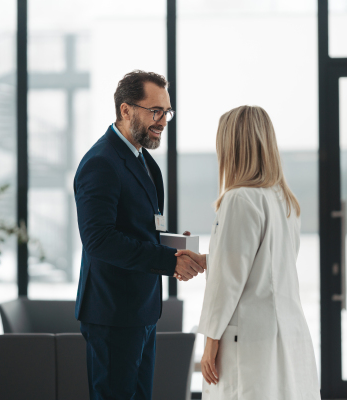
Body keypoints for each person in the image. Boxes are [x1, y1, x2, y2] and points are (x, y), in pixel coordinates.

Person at [74, 70, 204, 400]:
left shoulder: (147, 163)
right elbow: (99, 240)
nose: (162, 120)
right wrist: (167, 261)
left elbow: (145, 229)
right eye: (154, 111)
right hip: (112, 313)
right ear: (126, 110)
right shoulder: (100, 163)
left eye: (166, 112)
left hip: (143, 309)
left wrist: (175, 247)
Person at [176, 106, 321, 399]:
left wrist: (211, 341)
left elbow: (227, 282)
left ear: (233, 147)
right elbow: (265, 265)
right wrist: (209, 260)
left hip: (250, 338)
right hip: (287, 329)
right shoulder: (285, 200)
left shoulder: (239, 198)